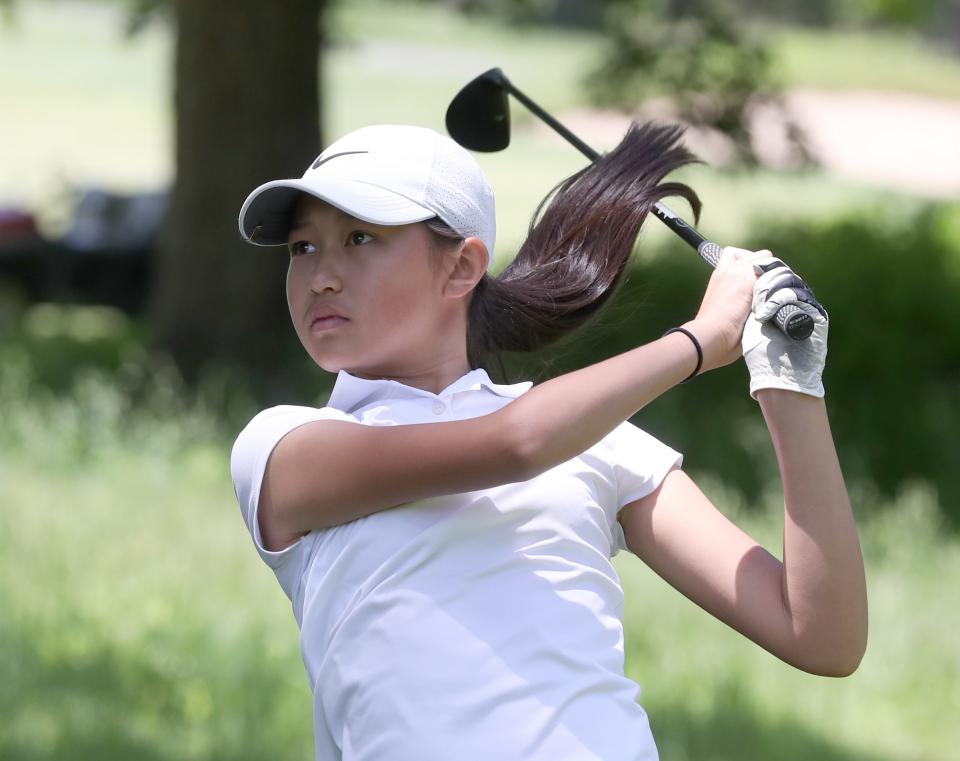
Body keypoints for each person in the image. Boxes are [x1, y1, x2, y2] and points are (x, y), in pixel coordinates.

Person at [230, 123, 867, 761]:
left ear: (461, 268)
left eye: (360, 238)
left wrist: (789, 380)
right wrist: (700, 341)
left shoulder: (598, 443)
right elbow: (517, 444)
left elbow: (823, 638)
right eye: (301, 248)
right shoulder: (284, 448)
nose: (320, 277)